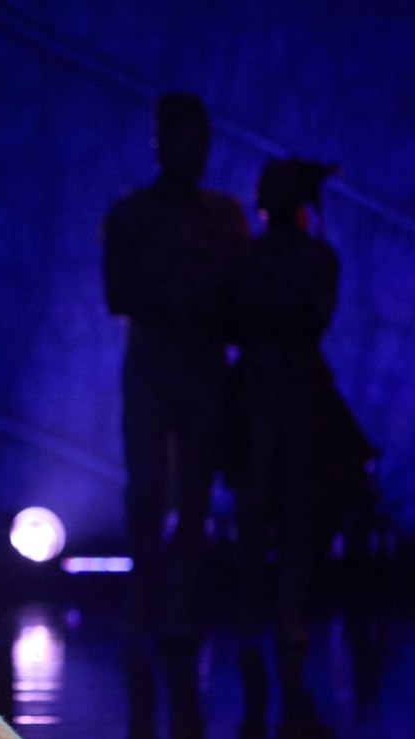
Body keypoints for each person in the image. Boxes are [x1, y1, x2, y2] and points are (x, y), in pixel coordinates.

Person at [102, 93, 250, 644]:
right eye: (188, 140)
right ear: (162, 143)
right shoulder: (135, 215)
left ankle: (177, 601)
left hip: (199, 365)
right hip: (158, 363)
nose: (197, 152)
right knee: (149, 485)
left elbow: (240, 292)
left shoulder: (222, 218)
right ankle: (149, 594)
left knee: (193, 489)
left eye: (202, 141)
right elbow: (117, 293)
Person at [229, 157, 360, 649]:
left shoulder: (310, 258)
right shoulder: (253, 257)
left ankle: (284, 609)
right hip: (260, 386)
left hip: (292, 385)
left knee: (295, 499)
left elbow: (309, 317)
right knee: (258, 501)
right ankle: (263, 608)